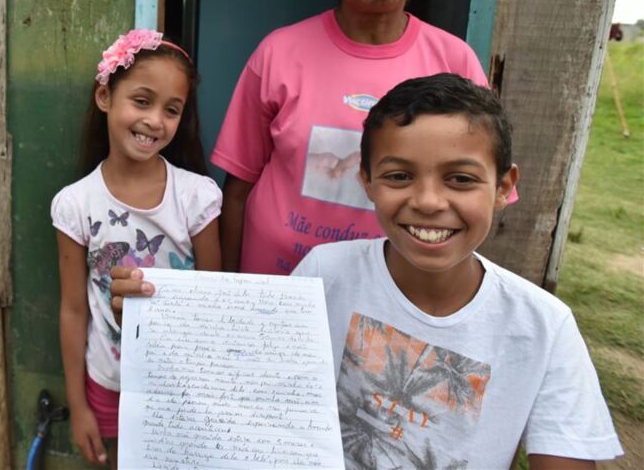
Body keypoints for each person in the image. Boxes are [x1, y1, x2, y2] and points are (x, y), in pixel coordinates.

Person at [112, 74, 622, 469]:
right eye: (399, 176)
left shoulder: (543, 328)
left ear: (505, 187)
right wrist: (155, 321)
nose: (428, 201)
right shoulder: (326, 273)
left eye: (461, 179)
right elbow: (241, 384)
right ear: (367, 181)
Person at [214, 0, 492, 276]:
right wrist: (230, 288)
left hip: (387, 292)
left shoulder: (455, 63)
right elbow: (238, 189)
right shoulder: (278, 53)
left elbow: (477, 194)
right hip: (278, 287)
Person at [51, 29, 222, 467]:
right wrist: (78, 407)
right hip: (109, 380)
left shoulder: (196, 198)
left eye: (171, 110)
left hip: (181, 382)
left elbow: (214, 301)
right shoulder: (75, 204)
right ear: (104, 97)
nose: (154, 121)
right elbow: (73, 310)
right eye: (142, 101)